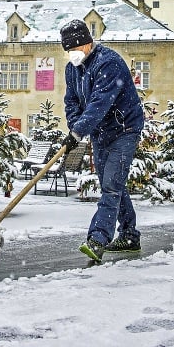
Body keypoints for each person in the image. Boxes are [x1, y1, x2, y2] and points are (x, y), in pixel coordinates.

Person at [59, 19, 145, 262]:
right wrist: (75, 126)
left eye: (74, 49)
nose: (71, 54)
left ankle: (98, 239)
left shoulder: (109, 63)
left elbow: (99, 103)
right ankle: (129, 236)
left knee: (111, 185)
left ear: (87, 44)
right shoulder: (72, 69)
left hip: (124, 129)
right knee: (112, 183)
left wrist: (77, 132)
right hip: (100, 132)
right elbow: (71, 101)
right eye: (67, 50)